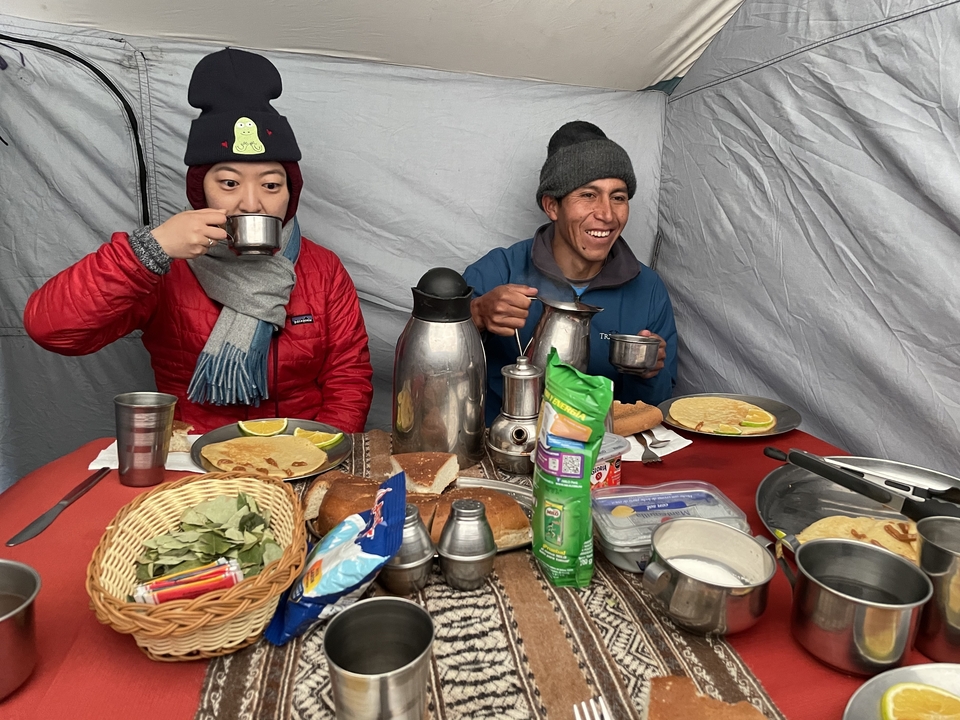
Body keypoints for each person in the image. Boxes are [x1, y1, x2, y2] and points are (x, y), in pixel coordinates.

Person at [24, 48, 373, 433]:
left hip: (299, 455)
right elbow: (52, 331)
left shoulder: (322, 268)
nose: (252, 202)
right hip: (197, 462)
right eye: (229, 183)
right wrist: (149, 251)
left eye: (271, 185)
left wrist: (320, 453)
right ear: (200, 191)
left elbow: (348, 377)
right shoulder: (165, 264)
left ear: (291, 193)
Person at [464, 120, 677, 424]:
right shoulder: (500, 270)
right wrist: (477, 314)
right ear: (552, 206)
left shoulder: (648, 288)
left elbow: (660, 405)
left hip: (602, 457)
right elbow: (429, 359)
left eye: (618, 197)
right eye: (588, 195)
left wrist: (651, 372)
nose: (606, 214)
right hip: (505, 452)